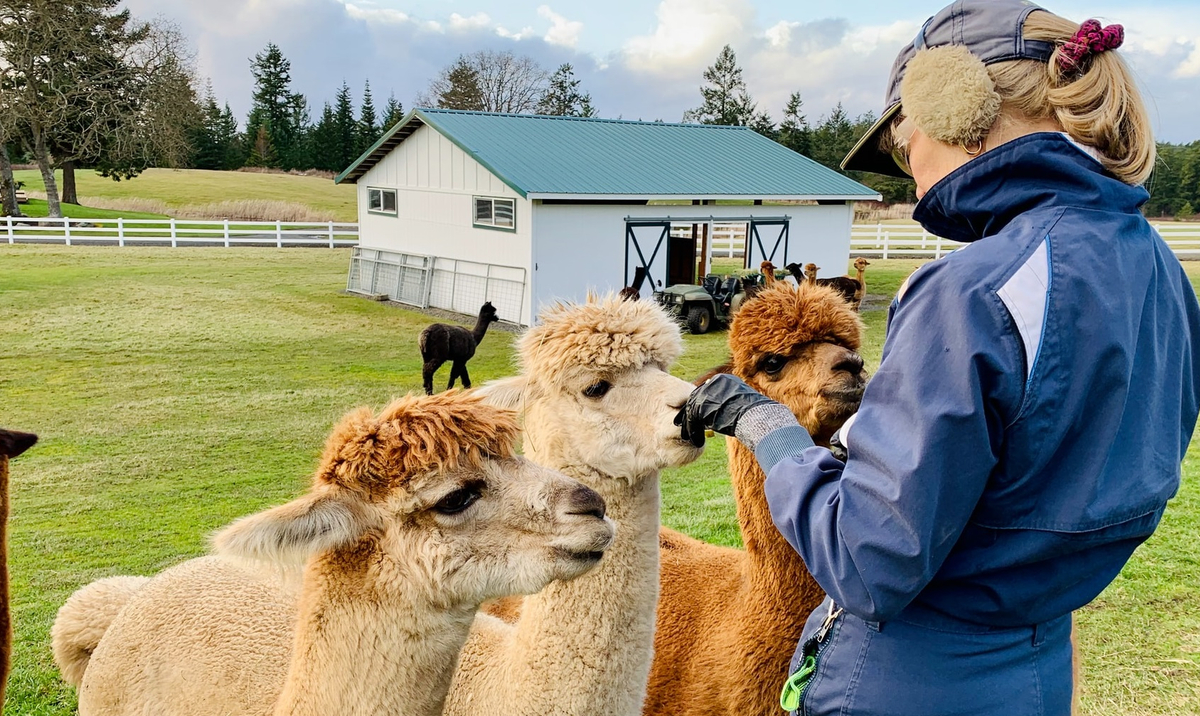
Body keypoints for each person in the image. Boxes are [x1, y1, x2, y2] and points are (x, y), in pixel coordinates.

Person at [677, 1, 1200, 714]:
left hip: (911, 679)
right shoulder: (1157, 271)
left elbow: (868, 560)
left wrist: (774, 434)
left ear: (950, 101)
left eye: (899, 141)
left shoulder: (973, 287)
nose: (906, 168)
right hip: (1036, 667)